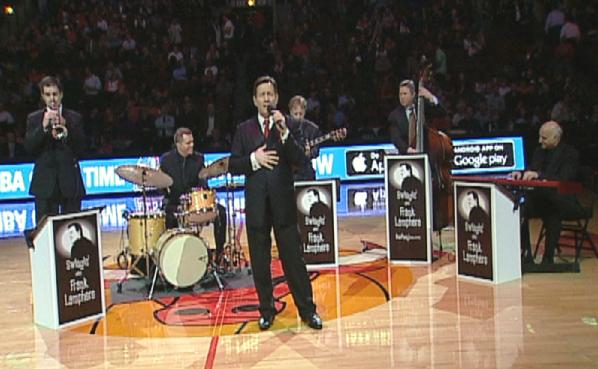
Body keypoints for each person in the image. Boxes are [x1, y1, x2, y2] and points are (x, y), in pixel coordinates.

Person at [228, 76, 322, 330]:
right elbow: (234, 164)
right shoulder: (243, 130)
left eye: (270, 94)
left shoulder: (289, 125)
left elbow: (300, 159)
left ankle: (307, 310)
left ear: (276, 98)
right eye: (262, 94)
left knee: (294, 260)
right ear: (254, 99)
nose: (266, 98)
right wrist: (254, 158)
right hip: (257, 206)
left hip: (284, 204)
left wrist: (285, 133)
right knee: (260, 261)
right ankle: (266, 310)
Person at [511, 120, 581, 265]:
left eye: (544, 138)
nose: (539, 141)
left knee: (553, 212)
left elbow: (564, 179)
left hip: (564, 199)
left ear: (556, 138)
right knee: (520, 209)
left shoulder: (570, 154)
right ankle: (526, 254)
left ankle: (548, 258)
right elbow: (533, 170)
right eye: (539, 137)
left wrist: (540, 175)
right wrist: (521, 173)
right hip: (542, 198)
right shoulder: (539, 151)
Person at [24, 76, 86, 223]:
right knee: (44, 233)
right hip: (45, 185)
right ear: (42, 96)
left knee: (71, 231)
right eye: (47, 94)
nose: (52, 99)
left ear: (61, 94)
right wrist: (43, 127)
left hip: (70, 184)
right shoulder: (34, 118)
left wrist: (67, 127)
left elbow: (83, 149)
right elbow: (29, 148)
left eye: (55, 94)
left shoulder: (74, 118)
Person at [159, 127, 227, 261]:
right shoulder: (166, 160)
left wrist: (204, 193)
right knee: (167, 215)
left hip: (194, 203)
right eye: (188, 143)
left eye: (192, 142)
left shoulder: (198, 159)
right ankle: (171, 257)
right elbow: (161, 185)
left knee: (221, 212)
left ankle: (219, 253)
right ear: (178, 144)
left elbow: (202, 182)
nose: (192, 145)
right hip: (175, 202)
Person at [388, 79, 441, 154]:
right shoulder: (394, 116)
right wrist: (408, 150)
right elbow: (396, 138)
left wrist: (431, 97)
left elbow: (441, 112)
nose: (402, 97)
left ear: (413, 95)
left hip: (427, 155)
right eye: (400, 94)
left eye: (405, 94)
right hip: (406, 157)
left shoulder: (422, 108)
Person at [288, 95, 322, 181]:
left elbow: (316, 151)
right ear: (290, 112)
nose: (298, 117)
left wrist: (309, 153)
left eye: (301, 114)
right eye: (295, 114)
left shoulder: (313, 129)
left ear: (304, 112)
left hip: (306, 172)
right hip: (287, 173)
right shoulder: (283, 128)